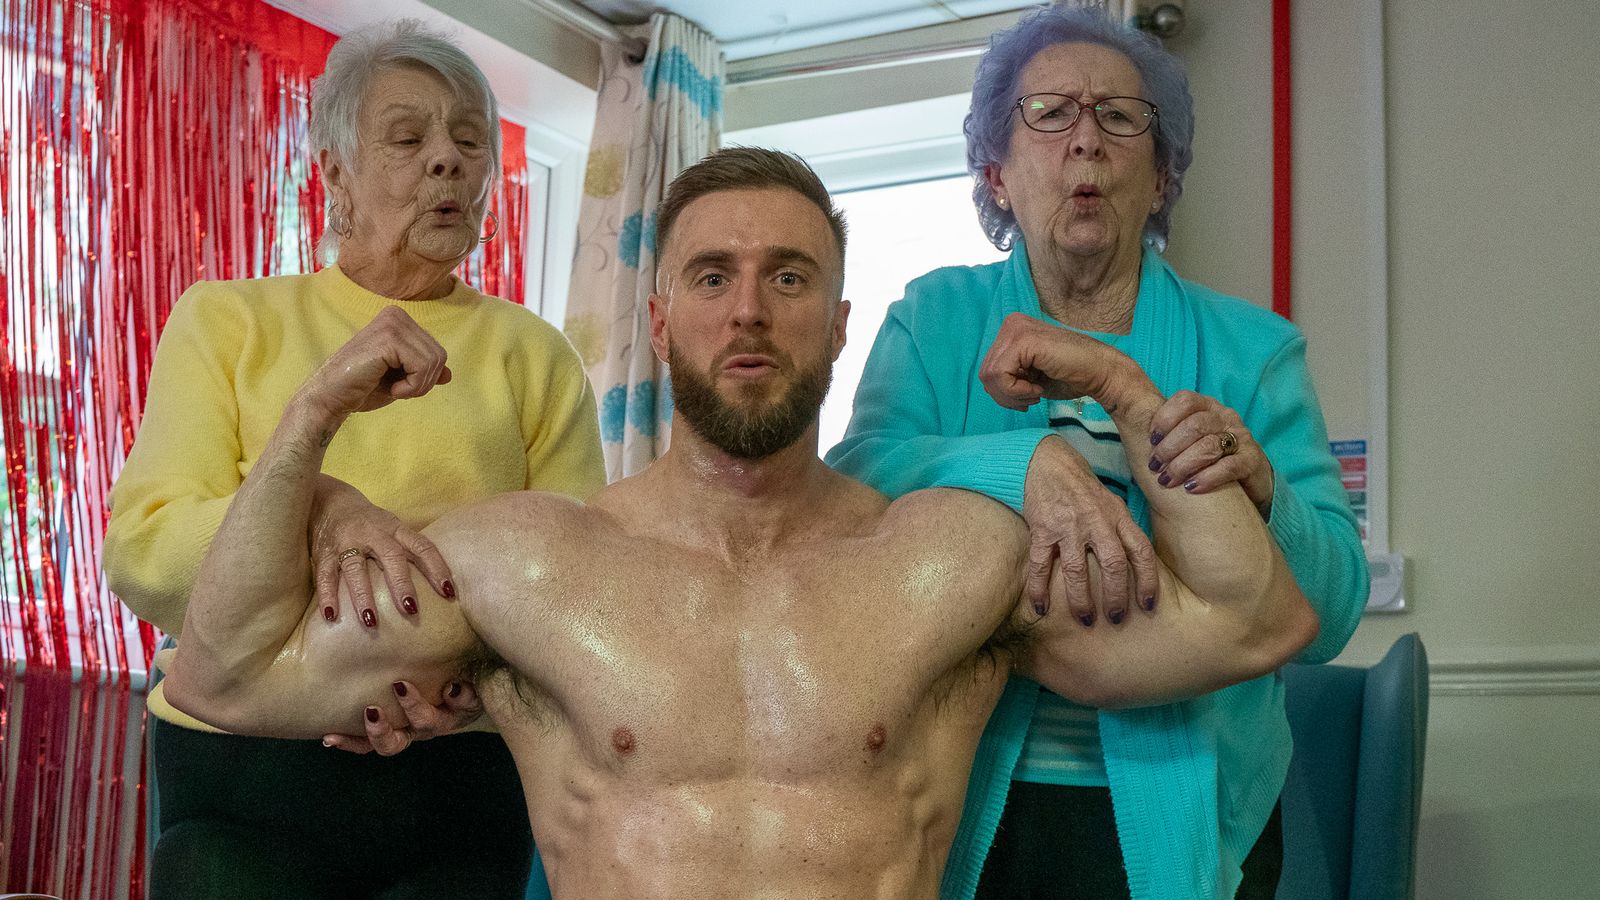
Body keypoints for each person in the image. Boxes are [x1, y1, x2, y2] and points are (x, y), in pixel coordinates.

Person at [157, 147, 1318, 899]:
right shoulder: (527, 562)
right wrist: (309, 438)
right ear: (659, 320)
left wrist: (1122, 393)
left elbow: (1248, 623)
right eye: (711, 278)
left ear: (840, 321)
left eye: (789, 277)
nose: (749, 309)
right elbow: (227, 674)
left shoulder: (947, 556)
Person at [825, 7, 1370, 899]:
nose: (1086, 140)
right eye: (1050, 113)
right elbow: (853, 488)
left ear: (1160, 178)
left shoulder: (1255, 351)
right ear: (996, 175)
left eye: (1121, 117)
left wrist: (1264, 490)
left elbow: (1335, 614)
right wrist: (1022, 468)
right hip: (964, 789)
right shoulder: (934, 321)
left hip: (1200, 809)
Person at [101, 20, 604, 899]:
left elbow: (577, 588)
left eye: (470, 140)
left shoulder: (535, 355)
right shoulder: (228, 321)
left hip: (456, 778)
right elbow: (147, 553)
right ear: (334, 172)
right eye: (408, 138)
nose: (445, 160)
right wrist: (322, 505)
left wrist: (477, 693)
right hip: (241, 772)